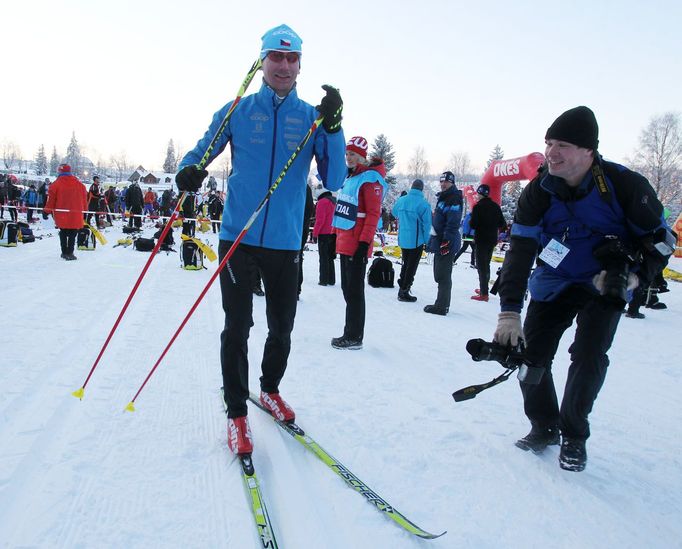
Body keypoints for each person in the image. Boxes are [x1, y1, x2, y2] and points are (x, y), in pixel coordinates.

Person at [175, 24, 346, 456]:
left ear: (300, 65)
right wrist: (189, 170)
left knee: (281, 328)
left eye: (292, 59)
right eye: (276, 57)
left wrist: (334, 127)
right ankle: (236, 412)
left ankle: (269, 388)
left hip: (286, 240)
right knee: (237, 327)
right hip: (239, 236)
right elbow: (201, 151)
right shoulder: (238, 109)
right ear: (262, 61)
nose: (284, 66)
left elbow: (336, 177)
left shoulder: (311, 118)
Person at [493, 106, 674, 472]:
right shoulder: (538, 191)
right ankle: (544, 425)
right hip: (555, 280)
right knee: (529, 359)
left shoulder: (626, 186)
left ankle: (574, 435)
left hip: (603, 284)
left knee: (588, 356)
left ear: (589, 151)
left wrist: (636, 278)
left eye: (563, 144)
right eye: (548, 143)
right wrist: (509, 311)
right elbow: (521, 249)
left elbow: (662, 243)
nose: (551, 152)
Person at [330, 136, 386, 350]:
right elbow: (344, 210)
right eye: (347, 154)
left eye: (352, 154)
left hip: (356, 243)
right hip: (346, 241)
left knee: (354, 291)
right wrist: (335, 237)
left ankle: (354, 336)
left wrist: (364, 243)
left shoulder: (369, 180)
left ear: (362, 156)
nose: (348, 158)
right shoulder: (351, 178)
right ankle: (350, 333)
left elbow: (373, 214)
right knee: (347, 289)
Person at [424, 171, 463, 315]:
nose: (443, 184)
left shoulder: (453, 198)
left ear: (452, 183)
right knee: (439, 274)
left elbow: (453, 221)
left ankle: (441, 306)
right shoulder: (444, 198)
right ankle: (441, 303)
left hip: (447, 241)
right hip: (440, 239)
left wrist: (446, 240)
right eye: (441, 181)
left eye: (446, 182)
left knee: (443, 275)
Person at [391, 179, 432, 302]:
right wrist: (427, 241)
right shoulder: (424, 204)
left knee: (405, 263)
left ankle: (402, 284)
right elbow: (427, 225)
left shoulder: (402, 200)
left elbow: (394, 212)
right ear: (421, 189)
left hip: (403, 238)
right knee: (411, 266)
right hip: (416, 240)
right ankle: (404, 290)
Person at [469, 184, 507, 302]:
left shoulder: (478, 207)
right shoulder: (495, 206)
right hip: (491, 240)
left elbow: (473, 224)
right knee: (487, 264)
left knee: (481, 266)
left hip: (481, 240)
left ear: (480, 194)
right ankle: (483, 289)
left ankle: (484, 294)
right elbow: (502, 224)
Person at [44, 164, 88, 260]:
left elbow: (51, 200)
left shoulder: (56, 184)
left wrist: (46, 211)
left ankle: (64, 252)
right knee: (73, 233)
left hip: (62, 213)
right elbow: (85, 200)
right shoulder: (80, 185)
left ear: (60, 171)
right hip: (76, 214)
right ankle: (70, 252)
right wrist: (84, 212)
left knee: (63, 232)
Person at [312, 187, 336, 286]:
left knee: (323, 257)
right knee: (330, 257)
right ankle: (331, 279)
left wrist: (315, 234)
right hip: (333, 232)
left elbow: (320, 220)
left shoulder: (322, 202)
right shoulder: (334, 201)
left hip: (324, 233)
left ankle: (323, 280)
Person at [297, 184, 315, 298]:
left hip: (297, 230)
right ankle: (296, 289)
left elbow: (308, 211)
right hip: (300, 230)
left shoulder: (304, 187)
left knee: (296, 259)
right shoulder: (306, 188)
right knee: (298, 258)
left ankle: (296, 289)